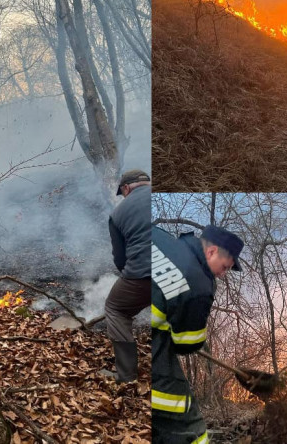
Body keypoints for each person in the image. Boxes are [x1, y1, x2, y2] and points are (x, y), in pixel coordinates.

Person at [151, 224, 244, 443]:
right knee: (189, 425)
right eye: (224, 267)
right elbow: (186, 345)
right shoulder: (200, 285)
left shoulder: (160, 237)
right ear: (211, 252)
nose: (222, 275)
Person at [104, 169, 151, 382]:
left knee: (115, 309)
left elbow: (121, 260)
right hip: (177, 273)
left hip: (142, 274)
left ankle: (127, 376)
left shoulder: (117, 214)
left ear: (125, 188)